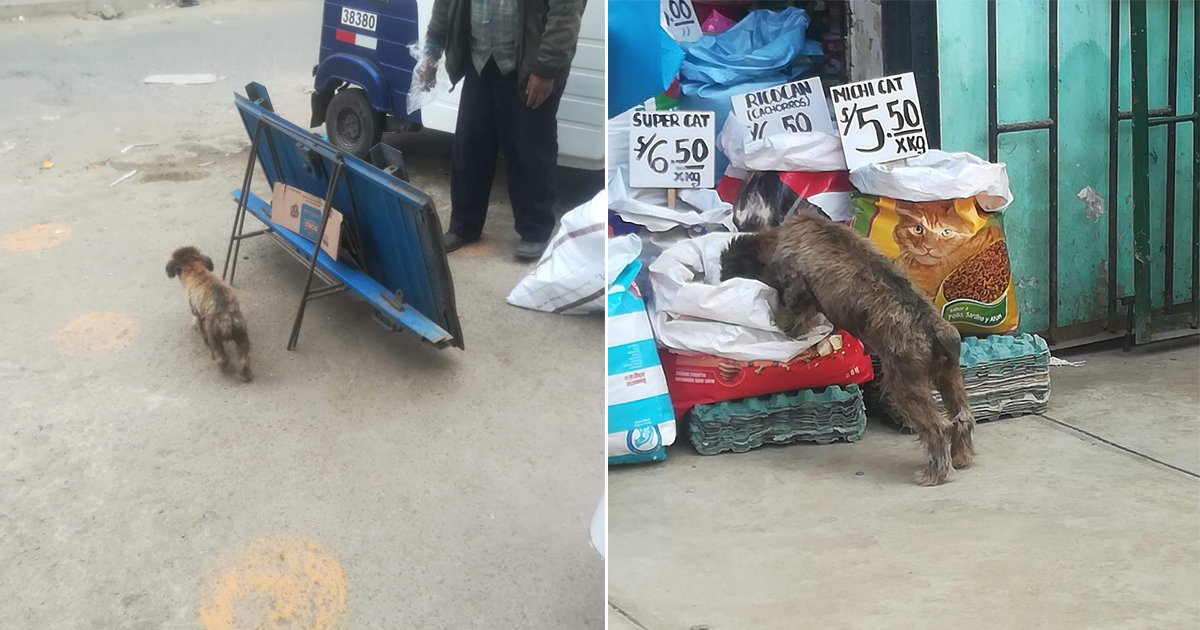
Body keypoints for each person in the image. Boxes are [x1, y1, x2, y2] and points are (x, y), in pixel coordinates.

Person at [418, 0, 585, 261]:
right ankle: (464, 226)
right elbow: (446, 4)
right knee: (470, 146)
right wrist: (430, 52)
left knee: (531, 151)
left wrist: (546, 69)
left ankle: (535, 231)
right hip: (480, 62)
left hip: (531, 67)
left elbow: (565, 11)